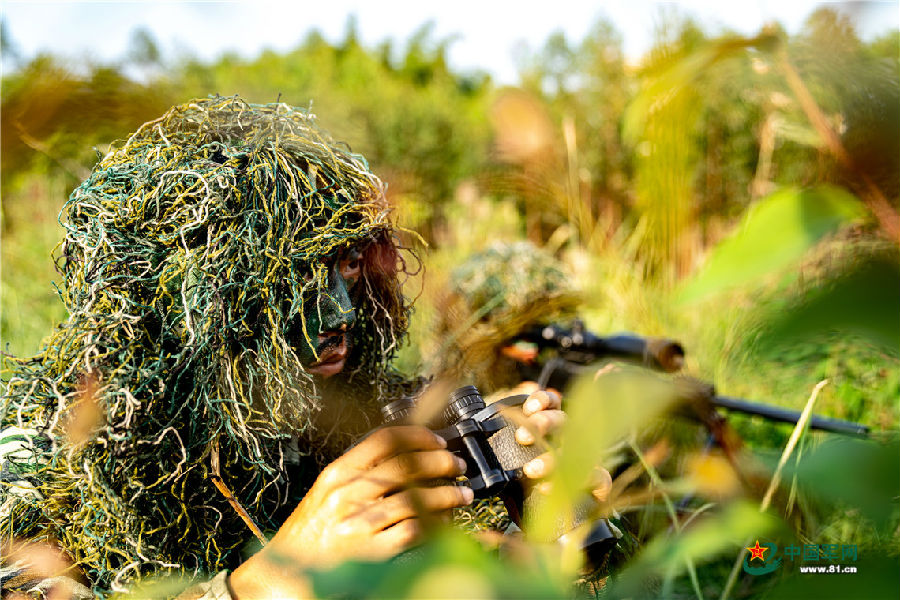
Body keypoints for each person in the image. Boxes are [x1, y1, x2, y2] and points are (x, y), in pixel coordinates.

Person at [0, 96, 565, 599]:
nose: (342, 310)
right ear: (187, 299)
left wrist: (536, 531)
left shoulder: (366, 411)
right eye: (291, 280)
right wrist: (259, 586)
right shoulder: (41, 458)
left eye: (345, 266)